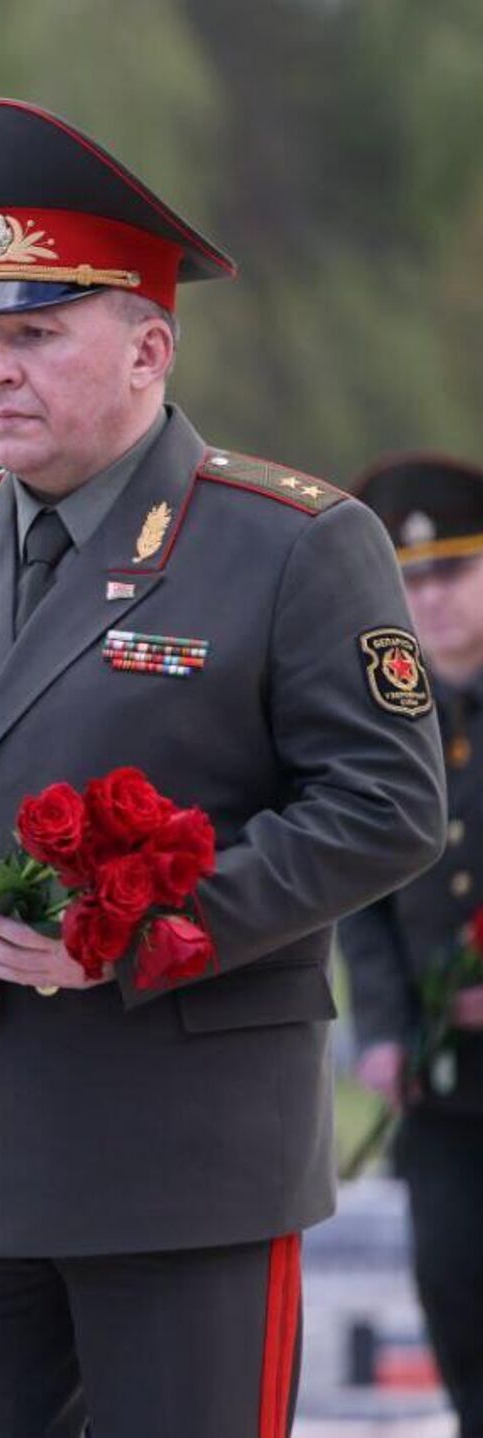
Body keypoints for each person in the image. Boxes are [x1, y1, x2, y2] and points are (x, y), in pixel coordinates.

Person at [0, 98, 447, 1437]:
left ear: (151, 347)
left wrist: (142, 923)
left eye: (36, 334)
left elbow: (387, 805)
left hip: (183, 1163)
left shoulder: (291, 543)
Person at [341, 452, 483, 1437]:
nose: (429, 599)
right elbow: (364, 890)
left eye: (453, 571)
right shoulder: (391, 722)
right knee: (456, 1298)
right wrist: (385, 1028)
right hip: (444, 1086)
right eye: (411, 579)